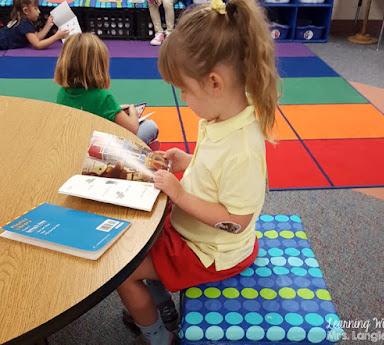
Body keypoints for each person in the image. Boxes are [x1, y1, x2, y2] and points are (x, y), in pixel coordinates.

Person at [117, 0, 279, 344]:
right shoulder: (219, 117)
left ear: (214, 82)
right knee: (135, 232)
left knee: (122, 272)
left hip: (211, 251)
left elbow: (236, 220)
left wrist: (179, 194)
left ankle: (159, 337)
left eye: (185, 89)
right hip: (193, 229)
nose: (183, 97)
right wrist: (187, 160)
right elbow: (213, 172)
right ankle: (162, 305)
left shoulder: (244, 149)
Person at [54, 33, 159, 148]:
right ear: (99, 66)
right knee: (150, 126)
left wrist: (116, 109)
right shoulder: (102, 97)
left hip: (75, 145)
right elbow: (132, 129)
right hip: (101, 150)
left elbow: (87, 108)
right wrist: (133, 111)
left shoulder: (62, 93)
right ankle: (139, 151)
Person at [0, 0, 68, 50]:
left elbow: (36, 37)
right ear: (25, 10)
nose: (39, 12)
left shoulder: (23, 21)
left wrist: (48, 25)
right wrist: (56, 37)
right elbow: (37, 44)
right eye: (36, 9)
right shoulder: (24, 23)